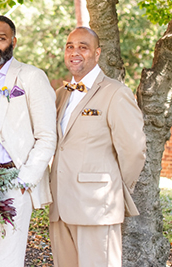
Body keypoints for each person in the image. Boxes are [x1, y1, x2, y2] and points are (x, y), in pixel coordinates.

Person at [0, 15, 57, 267]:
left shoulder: (31, 77)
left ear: (13, 41)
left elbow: (47, 136)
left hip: (13, 180)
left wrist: (24, 180)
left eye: (1, 38)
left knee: (7, 260)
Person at [49, 27, 146, 267]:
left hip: (96, 207)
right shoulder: (60, 95)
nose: (75, 52)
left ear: (97, 53)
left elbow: (133, 150)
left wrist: (113, 187)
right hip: (60, 207)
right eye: (70, 46)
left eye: (83, 47)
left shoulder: (115, 92)